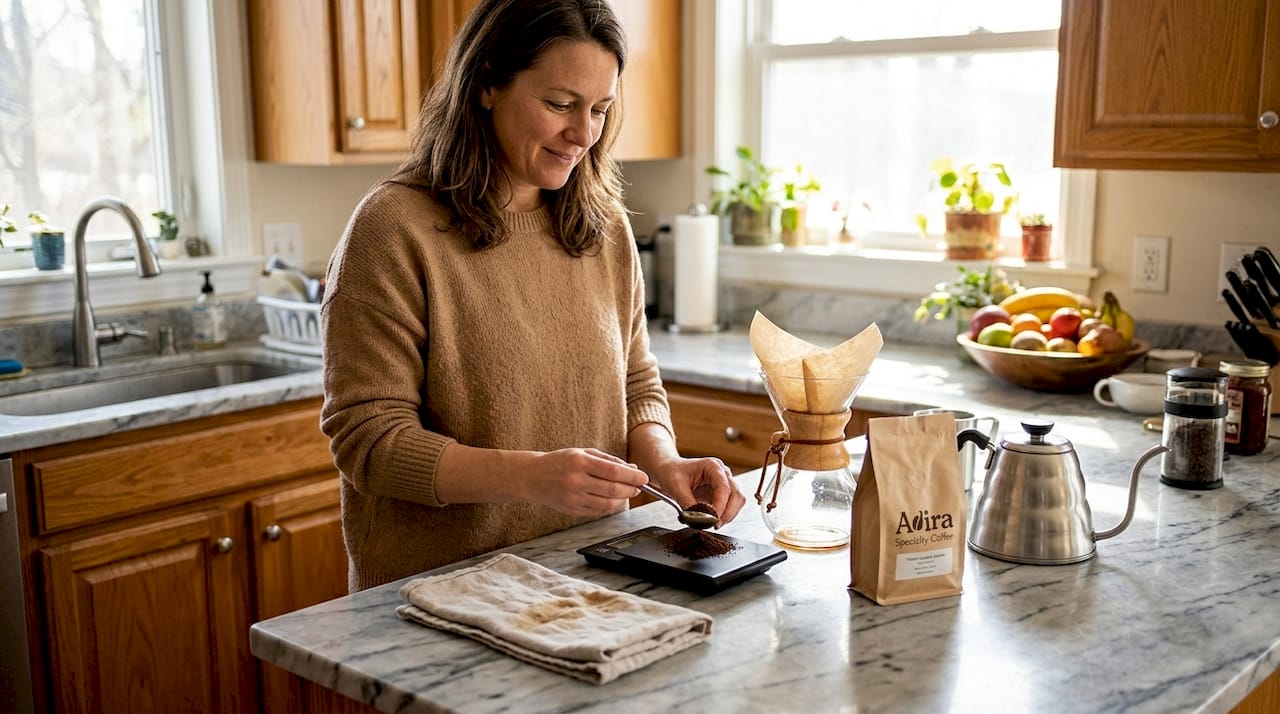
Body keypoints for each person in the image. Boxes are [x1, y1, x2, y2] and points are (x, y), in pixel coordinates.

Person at [320, 0, 746, 592]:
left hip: (590, 576)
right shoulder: (394, 228)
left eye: (600, 109)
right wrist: (528, 477)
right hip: (440, 594)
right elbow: (370, 440)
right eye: (560, 104)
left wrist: (663, 461)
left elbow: (636, 383)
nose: (584, 133)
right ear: (488, 83)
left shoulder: (604, 226)